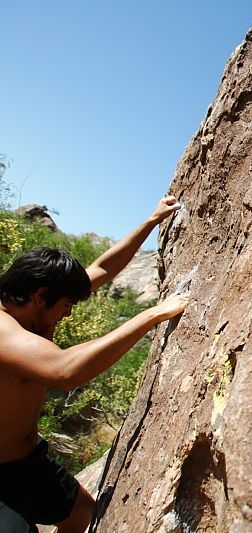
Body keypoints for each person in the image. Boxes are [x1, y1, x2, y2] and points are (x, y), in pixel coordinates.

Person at [0, 196, 191, 532]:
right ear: (40, 296)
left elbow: (102, 269)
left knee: (81, 515)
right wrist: (153, 314)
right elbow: (63, 371)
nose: (69, 313)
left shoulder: (31, 308)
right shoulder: (3, 330)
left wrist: (151, 221)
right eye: (66, 304)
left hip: (26, 465)